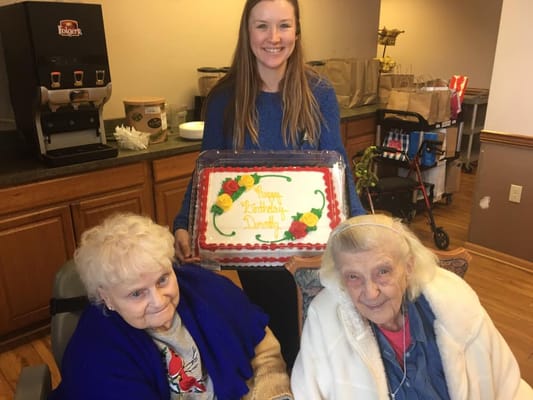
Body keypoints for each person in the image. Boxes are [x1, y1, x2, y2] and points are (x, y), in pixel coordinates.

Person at [173, 0, 365, 369]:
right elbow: (207, 172)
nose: (273, 38)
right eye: (262, 26)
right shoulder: (223, 99)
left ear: (297, 31)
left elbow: (338, 167)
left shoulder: (319, 93)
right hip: (256, 254)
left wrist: (358, 227)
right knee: (280, 338)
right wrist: (184, 223)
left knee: (319, 336)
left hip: (311, 250)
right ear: (247, 32)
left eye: (283, 26)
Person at [49, 213, 293, 400]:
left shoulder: (206, 289)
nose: (158, 300)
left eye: (162, 279)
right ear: (107, 298)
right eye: (136, 293)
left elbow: (264, 348)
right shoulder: (94, 355)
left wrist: (273, 393)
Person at [291, 213, 533, 399]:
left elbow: (507, 386)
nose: (371, 292)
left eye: (383, 271)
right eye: (353, 277)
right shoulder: (325, 322)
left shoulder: (455, 305)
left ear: (408, 266)